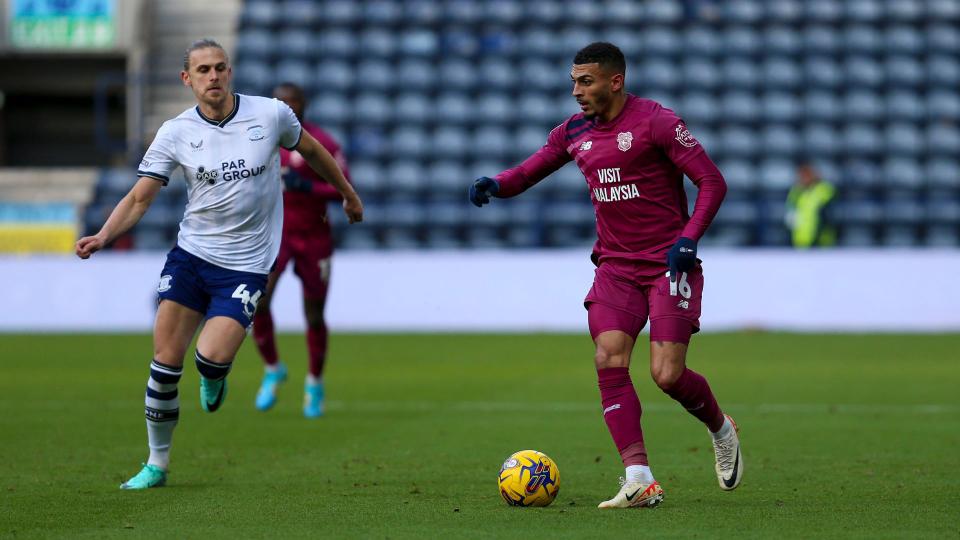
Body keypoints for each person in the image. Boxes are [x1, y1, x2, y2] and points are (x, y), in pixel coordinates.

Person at [75, 38, 363, 490]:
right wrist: (104, 236)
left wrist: (347, 193)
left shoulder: (269, 115)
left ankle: (213, 376)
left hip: (247, 266)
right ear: (187, 79)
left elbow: (312, 151)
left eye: (220, 68)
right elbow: (139, 198)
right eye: (203, 70)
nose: (213, 76)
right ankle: (156, 463)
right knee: (164, 365)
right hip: (191, 257)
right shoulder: (175, 132)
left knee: (210, 359)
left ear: (230, 72)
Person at [469, 42, 740, 508]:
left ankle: (721, 428)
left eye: (585, 81)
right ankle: (639, 477)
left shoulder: (658, 122)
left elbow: (712, 182)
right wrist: (497, 184)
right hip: (615, 266)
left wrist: (689, 238)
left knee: (667, 375)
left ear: (615, 81)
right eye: (573, 81)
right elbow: (527, 172)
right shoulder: (572, 132)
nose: (576, 90)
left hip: (667, 264)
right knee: (608, 358)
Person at [251, 82, 349, 418]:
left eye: (293, 102)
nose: (287, 108)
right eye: (281, 102)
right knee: (258, 302)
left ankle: (314, 382)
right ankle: (272, 368)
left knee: (314, 314)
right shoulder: (259, 141)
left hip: (315, 238)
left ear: (303, 105)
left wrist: (308, 186)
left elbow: (343, 189)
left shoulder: (324, 142)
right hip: (275, 237)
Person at [785, 163, 836, 248]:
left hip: (822, 241)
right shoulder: (795, 192)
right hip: (801, 241)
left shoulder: (824, 189)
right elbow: (790, 211)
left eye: (807, 175)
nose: (805, 178)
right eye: (802, 175)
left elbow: (829, 212)